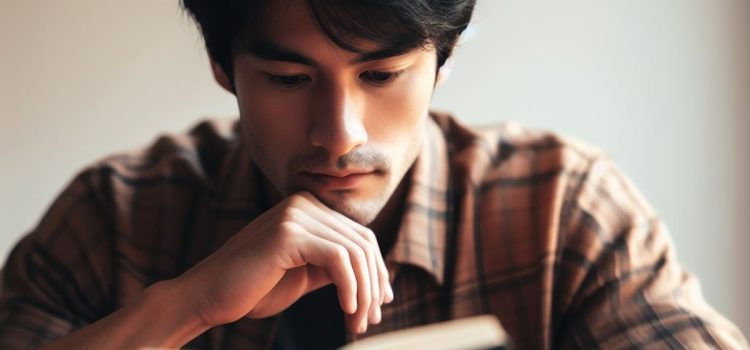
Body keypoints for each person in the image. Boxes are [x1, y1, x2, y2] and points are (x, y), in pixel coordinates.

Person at [1, 0, 747, 349]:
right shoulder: (114, 216)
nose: (340, 135)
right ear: (224, 70)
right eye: (291, 81)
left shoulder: (561, 207)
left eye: (383, 74)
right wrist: (188, 307)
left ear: (442, 63)